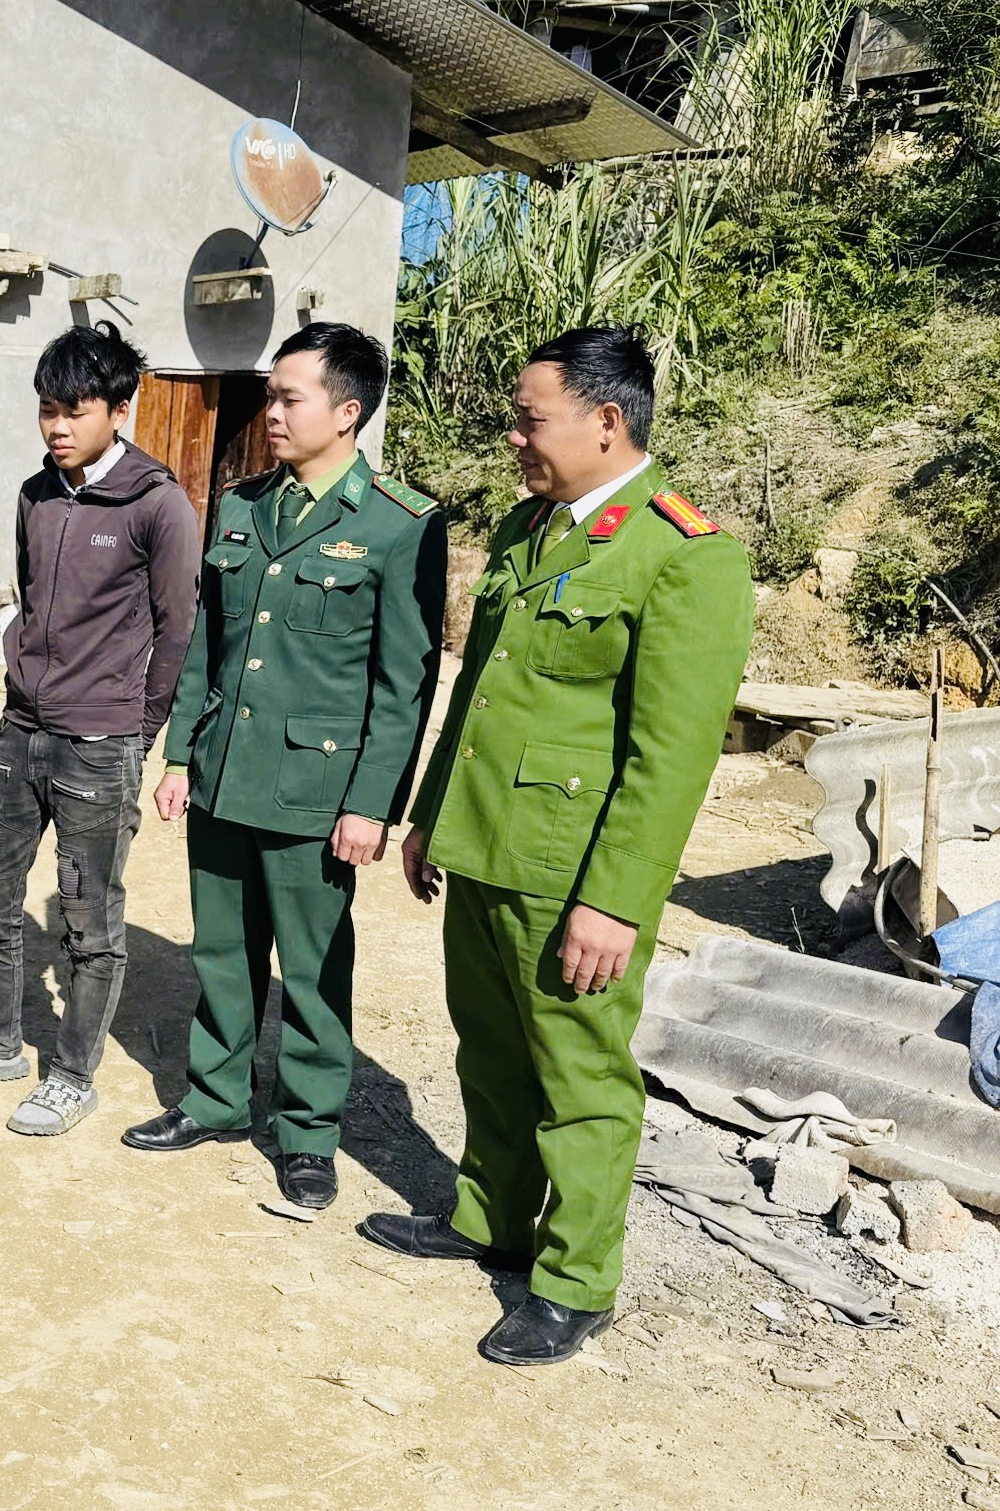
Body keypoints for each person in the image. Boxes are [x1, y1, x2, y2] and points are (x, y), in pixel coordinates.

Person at [363, 326, 751, 1366]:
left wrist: (614, 901)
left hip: (569, 868)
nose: (513, 436)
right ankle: (489, 1218)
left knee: (578, 1077)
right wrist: (432, 815)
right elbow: (479, 695)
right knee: (488, 1050)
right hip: (485, 842)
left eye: (529, 419)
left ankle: (575, 1281)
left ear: (605, 421)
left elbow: (671, 758)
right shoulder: (530, 527)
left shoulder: (684, 553)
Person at [131, 323, 447, 1213]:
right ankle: (215, 1099)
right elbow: (208, 644)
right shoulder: (241, 505)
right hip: (224, 773)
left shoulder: (397, 524)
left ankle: (307, 1131)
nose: (269, 412)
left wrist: (371, 805)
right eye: (270, 396)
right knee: (221, 953)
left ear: (346, 412)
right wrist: (181, 753)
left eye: (287, 397)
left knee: (310, 970)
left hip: (316, 790)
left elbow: (402, 685)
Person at [0, 322, 202, 1136]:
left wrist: (136, 730)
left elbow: (177, 630)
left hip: (99, 746)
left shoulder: (157, 504)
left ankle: (72, 1076)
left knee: (88, 921)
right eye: (47, 409)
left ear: (119, 409)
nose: (56, 426)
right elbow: (31, 597)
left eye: (74, 410)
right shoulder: (35, 495)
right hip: (18, 732)